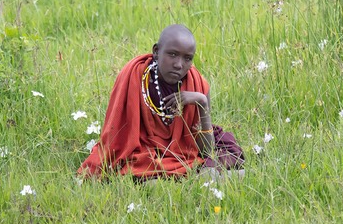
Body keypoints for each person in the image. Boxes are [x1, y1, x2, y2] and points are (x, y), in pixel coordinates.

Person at [78, 24, 244, 181]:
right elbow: (120, 137)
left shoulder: (197, 84)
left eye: (187, 58)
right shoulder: (134, 76)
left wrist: (201, 103)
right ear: (156, 51)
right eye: (172, 54)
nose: (179, 65)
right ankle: (193, 177)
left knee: (222, 156)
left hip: (182, 151)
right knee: (141, 167)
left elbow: (206, 151)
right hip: (145, 149)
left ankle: (194, 177)